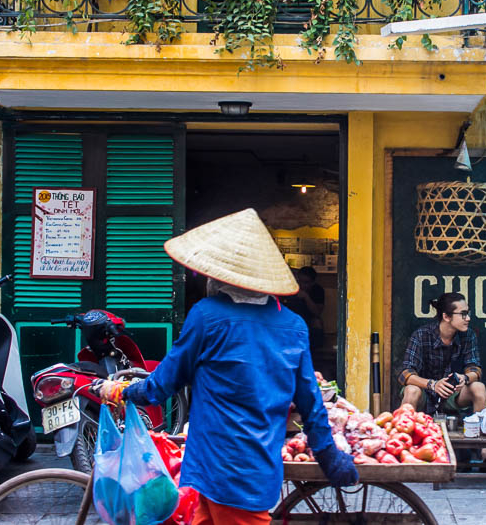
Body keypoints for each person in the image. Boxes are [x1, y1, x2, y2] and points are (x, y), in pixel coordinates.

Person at [98, 208, 357, 524]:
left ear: (218, 276)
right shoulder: (294, 325)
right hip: (250, 470)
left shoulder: (206, 315)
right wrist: (328, 455)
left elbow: (165, 383)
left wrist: (125, 391)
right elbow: (310, 401)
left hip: (222, 471)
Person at [397, 292, 486, 469]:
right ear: (446, 316)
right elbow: (405, 373)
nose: (468, 318)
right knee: (411, 390)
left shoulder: (468, 335)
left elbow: (476, 369)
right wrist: (432, 384)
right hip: (425, 392)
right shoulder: (422, 335)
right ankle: (402, 450)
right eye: (463, 314)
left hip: (453, 393)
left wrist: (465, 378)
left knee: (478, 387)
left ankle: (485, 453)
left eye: (468, 313)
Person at [283, 266, 326, 352]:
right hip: (293, 321)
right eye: (300, 281)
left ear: (313, 282)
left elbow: (317, 312)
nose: (302, 285)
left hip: (309, 321)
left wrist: (306, 297)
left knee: (317, 323)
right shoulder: (292, 288)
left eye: (306, 282)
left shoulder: (318, 290)